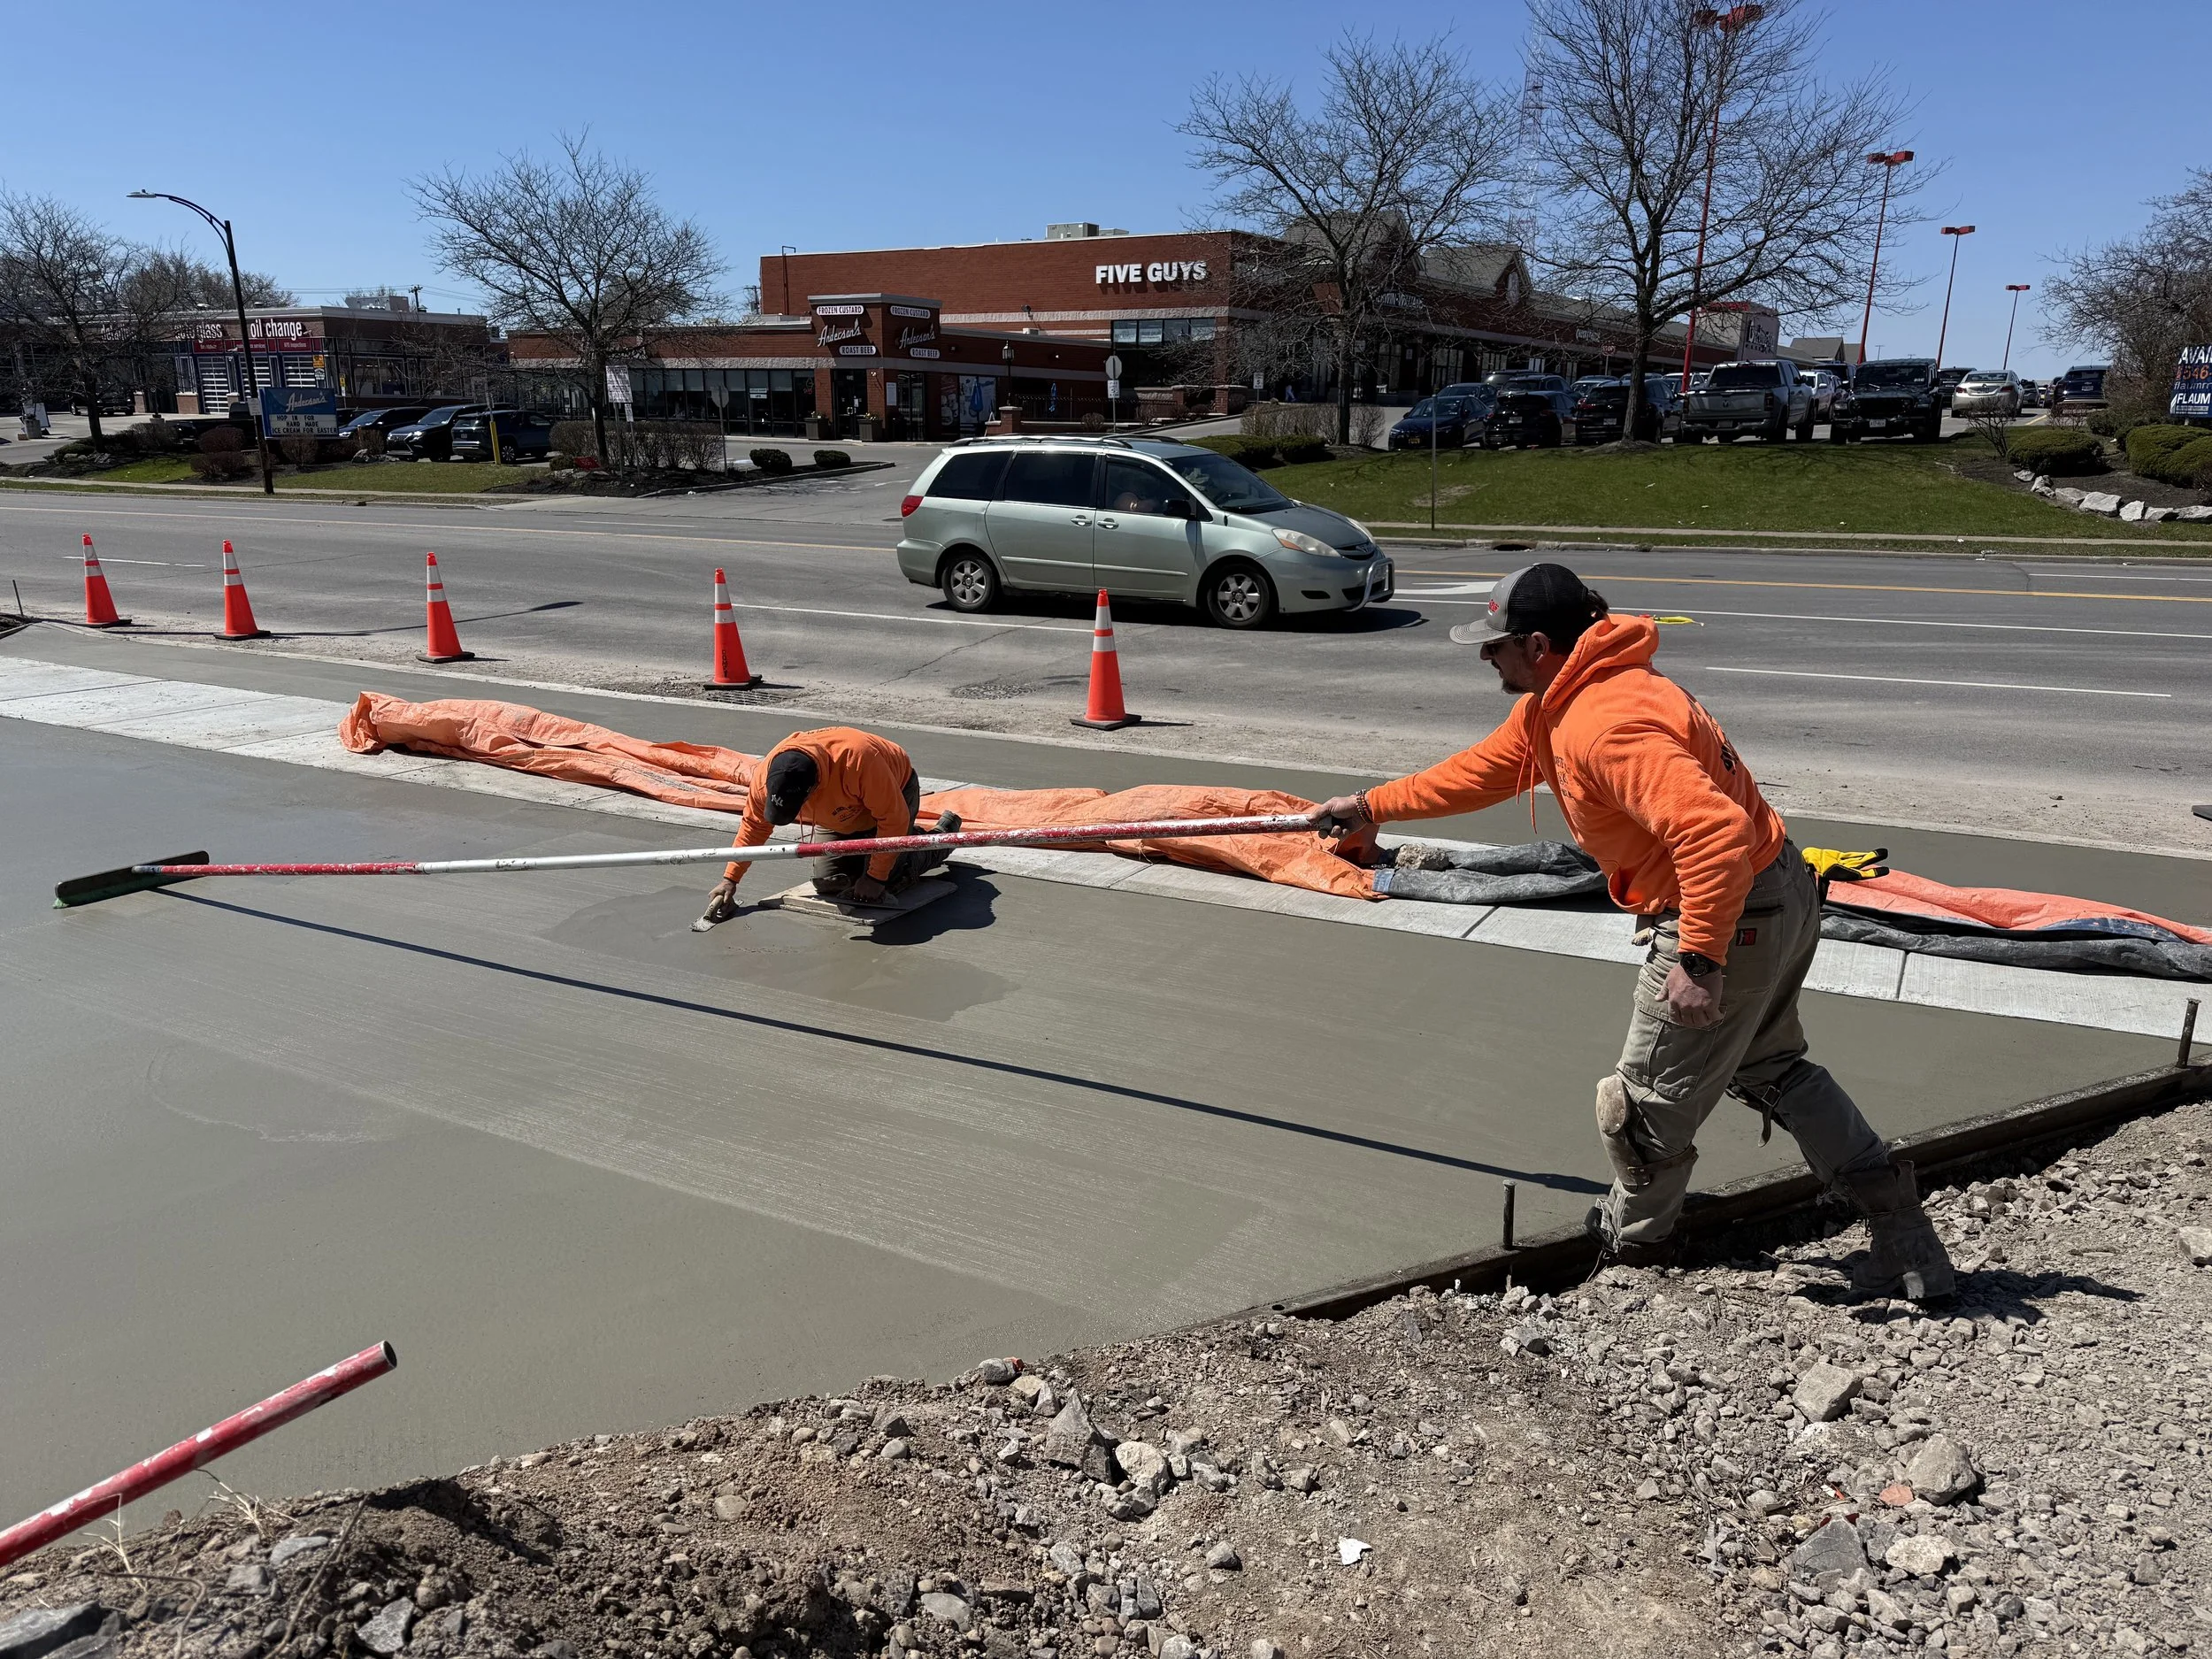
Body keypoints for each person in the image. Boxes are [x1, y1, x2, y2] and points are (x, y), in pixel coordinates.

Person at [1313, 563, 1955, 1300]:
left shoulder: (1604, 722)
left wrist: (1701, 957)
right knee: (1770, 1064)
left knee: (1640, 1109)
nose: (1485, 656)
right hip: (1775, 886)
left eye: (1496, 645)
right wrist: (1372, 805)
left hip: (1730, 910)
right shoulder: (1570, 696)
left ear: (1541, 644)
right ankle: (1904, 1236)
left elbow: (1714, 832)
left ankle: (1633, 1262)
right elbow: (1481, 772)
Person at [699, 727, 957, 925]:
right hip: (839, 816)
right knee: (828, 882)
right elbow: (754, 826)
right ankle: (879, 853)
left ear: (813, 789)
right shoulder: (767, 777)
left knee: (885, 881)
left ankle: (938, 838)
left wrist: (875, 878)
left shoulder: (857, 760)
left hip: (894, 795)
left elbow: (892, 820)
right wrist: (730, 879)